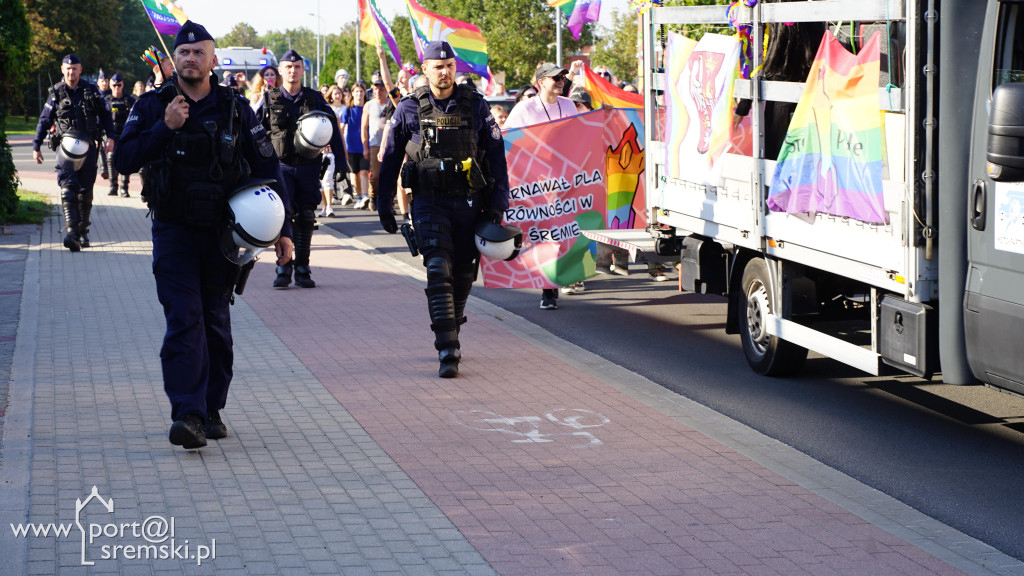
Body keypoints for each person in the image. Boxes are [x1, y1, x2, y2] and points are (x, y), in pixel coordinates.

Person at [114, 21, 292, 450]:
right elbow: (123, 159)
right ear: (174, 59)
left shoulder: (234, 107)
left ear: (213, 60)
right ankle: (187, 414)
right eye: (184, 53)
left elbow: (268, 167)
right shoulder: (156, 104)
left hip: (223, 235)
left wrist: (283, 231)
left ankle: (211, 408)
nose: (190, 59)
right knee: (184, 319)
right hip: (173, 230)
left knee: (214, 320)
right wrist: (165, 127)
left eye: (199, 53)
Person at [376, 40, 510, 378]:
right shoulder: (408, 108)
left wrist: (497, 206)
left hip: (469, 202)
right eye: (438, 66)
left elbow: (496, 159)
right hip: (429, 202)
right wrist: (383, 204)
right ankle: (447, 348)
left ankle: (452, 326)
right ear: (425, 70)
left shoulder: (476, 106)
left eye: (449, 65)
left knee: (463, 273)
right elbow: (391, 157)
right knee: (437, 267)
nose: (445, 71)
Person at [258, 49, 348, 289]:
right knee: (282, 218)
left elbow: (333, 130)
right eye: (288, 67)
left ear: (303, 70)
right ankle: (283, 266)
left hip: (309, 167)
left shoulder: (315, 98)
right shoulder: (269, 99)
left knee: (306, 217)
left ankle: (303, 267)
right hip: (280, 168)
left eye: (297, 67)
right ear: (280, 70)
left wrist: (342, 162)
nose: (293, 71)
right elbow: (253, 132)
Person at [503, 62, 579, 309]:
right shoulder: (525, 108)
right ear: (541, 81)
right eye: (555, 77)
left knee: (560, 234)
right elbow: (507, 138)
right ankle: (547, 289)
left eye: (562, 77)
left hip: (564, 181)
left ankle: (554, 284)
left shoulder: (568, 105)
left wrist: (604, 114)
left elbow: (582, 132)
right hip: (534, 182)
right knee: (544, 235)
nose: (560, 80)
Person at [32, 54, 117, 252]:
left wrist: (110, 137)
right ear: (62, 70)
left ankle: (82, 231)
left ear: (80, 69)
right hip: (65, 149)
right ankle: (71, 233)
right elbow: (44, 120)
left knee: (85, 191)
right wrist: (36, 146)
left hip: (88, 147)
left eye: (75, 68)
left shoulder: (92, 91)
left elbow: (106, 115)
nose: (71, 72)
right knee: (67, 188)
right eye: (67, 69)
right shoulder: (55, 93)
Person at [358, 71, 389, 210]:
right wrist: (365, 147)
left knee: (389, 173)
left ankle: (387, 201)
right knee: (375, 175)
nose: (378, 92)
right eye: (375, 89)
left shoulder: (391, 104)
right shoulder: (369, 105)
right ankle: (373, 195)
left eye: (381, 89)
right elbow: (363, 127)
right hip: (374, 144)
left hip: (390, 143)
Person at [104, 73, 136, 197]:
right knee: (111, 158)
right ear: (110, 85)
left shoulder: (129, 100)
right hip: (111, 134)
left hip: (125, 134)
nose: (117, 87)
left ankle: (124, 187)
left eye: (119, 85)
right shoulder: (106, 100)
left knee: (125, 159)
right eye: (114, 85)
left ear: (122, 85)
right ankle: (113, 186)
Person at [340, 85, 369, 206]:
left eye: (361, 91)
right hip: (351, 146)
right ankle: (359, 196)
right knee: (354, 174)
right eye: (356, 91)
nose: (359, 94)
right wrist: (342, 146)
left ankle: (365, 196)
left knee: (364, 172)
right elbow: (341, 128)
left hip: (366, 146)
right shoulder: (347, 110)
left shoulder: (368, 108)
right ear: (352, 93)